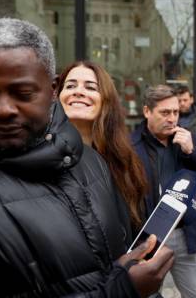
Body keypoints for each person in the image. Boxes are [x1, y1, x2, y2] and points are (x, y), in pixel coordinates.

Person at [0, 18, 173, 297]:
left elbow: (117, 258)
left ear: (52, 89)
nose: (3, 109)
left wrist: (132, 274)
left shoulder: (90, 162)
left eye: (22, 93)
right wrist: (122, 290)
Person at [132, 84, 196, 298]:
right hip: (148, 236)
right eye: (165, 113)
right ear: (147, 111)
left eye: (175, 112)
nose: (172, 119)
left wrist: (193, 152)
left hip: (186, 234)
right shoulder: (130, 146)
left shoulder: (190, 139)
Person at [57, 60, 148, 229]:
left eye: (90, 87)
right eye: (70, 86)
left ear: (106, 101)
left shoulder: (124, 162)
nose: (78, 92)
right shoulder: (43, 159)